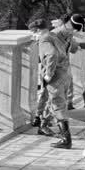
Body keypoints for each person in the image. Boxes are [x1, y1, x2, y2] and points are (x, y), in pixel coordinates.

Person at [29, 19, 73, 149]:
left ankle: (66, 139)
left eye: (32, 32)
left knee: (58, 106)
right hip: (64, 74)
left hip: (56, 77)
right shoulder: (53, 35)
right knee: (56, 103)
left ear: (37, 30)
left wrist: (48, 74)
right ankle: (42, 122)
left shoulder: (44, 39)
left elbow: (52, 55)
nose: (33, 36)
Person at [55, 13, 85, 110]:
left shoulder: (69, 32)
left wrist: (84, 46)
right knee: (53, 92)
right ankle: (42, 117)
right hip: (55, 66)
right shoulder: (56, 34)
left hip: (65, 64)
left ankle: (69, 104)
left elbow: (72, 47)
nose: (75, 32)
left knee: (69, 83)